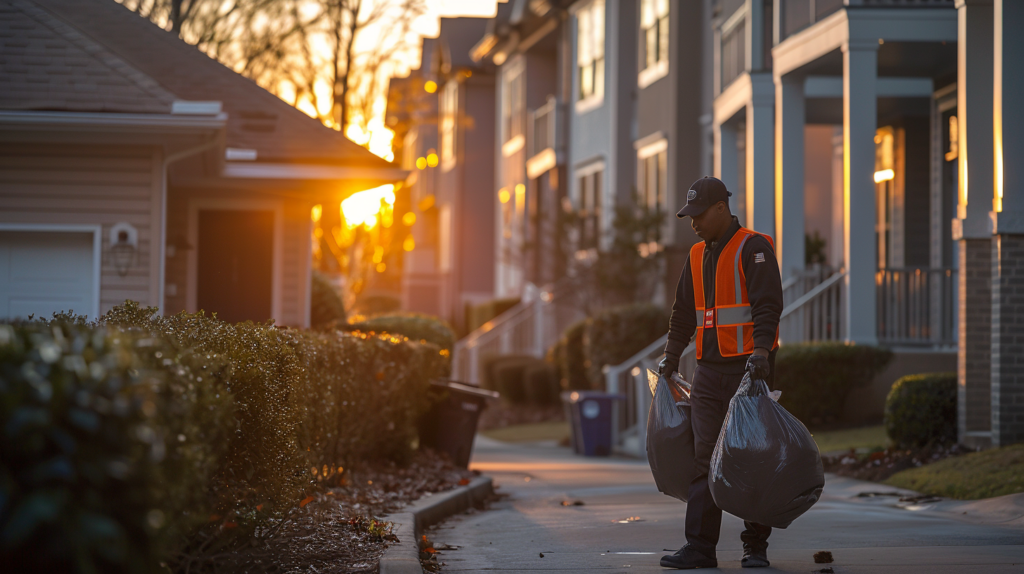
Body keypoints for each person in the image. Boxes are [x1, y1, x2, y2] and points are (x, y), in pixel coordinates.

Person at [658, 176, 783, 570]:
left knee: (752, 458)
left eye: (698, 214)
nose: (693, 222)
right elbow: (682, 314)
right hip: (709, 373)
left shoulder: (754, 247)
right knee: (705, 460)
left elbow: (767, 306)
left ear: (720, 208)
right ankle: (699, 548)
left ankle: (755, 547)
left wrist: (761, 352)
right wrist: (671, 355)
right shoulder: (696, 257)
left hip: (751, 371)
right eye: (688, 215)